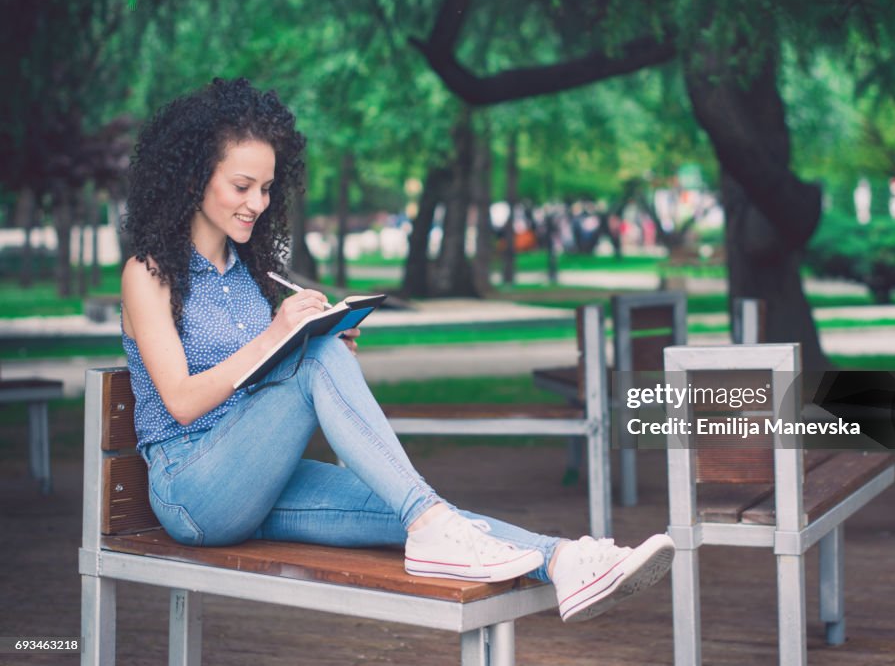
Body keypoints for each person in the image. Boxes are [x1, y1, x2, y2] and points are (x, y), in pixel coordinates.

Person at [120, 77, 674, 623]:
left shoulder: (251, 275)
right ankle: (451, 527)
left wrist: (317, 344)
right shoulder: (147, 274)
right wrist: (288, 346)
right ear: (196, 177)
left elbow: (264, 388)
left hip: (257, 483)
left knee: (415, 511)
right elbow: (182, 401)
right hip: (192, 492)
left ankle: (565, 560)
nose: (257, 203)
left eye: (266, 188)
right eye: (242, 186)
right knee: (324, 371)